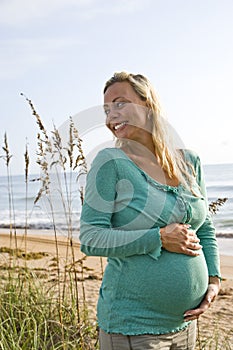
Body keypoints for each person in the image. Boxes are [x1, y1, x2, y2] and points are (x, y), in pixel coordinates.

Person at [80, 71, 221, 350]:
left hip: (186, 324)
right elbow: (91, 238)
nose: (111, 117)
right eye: (107, 110)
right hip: (134, 327)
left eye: (120, 104)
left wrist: (214, 278)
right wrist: (157, 237)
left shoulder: (189, 161)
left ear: (148, 105)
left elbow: (204, 227)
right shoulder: (111, 163)